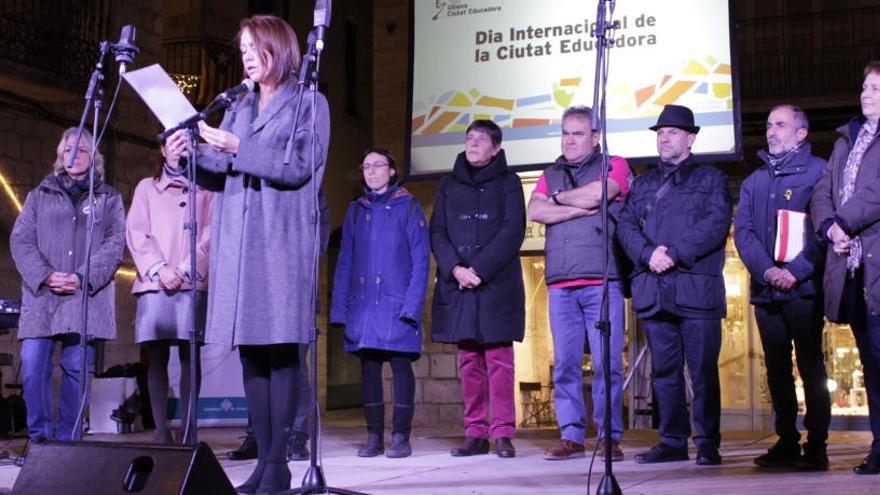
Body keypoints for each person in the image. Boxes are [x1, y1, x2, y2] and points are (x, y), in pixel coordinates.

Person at [166, 13, 330, 494]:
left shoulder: (309, 103)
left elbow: (299, 166)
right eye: (240, 50)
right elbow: (221, 170)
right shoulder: (238, 105)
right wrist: (188, 157)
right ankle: (265, 461)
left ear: (276, 49)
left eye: (251, 49)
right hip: (238, 244)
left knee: (281, 352)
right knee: (252, 357)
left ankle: (279, 461)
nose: (245, 58)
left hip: (280, 241)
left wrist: (238, 148)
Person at [617, 105, 731, 466]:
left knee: (702, 372)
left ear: (691, 138)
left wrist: (675, 254)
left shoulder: (711, 179)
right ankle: (672, 440)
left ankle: (708, 441)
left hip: (696, 290)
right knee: (664, 372)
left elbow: (716, 223)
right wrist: (649, 254)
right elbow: (625, 226)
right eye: (660, 132)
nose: (664, 137)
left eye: (673, 132)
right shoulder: (645, 183)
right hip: (655, 289)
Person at [527, 105, 631, 462]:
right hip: (560, 283)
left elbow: (600, 194)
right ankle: (571, 435)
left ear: (595, 137)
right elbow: (535, 211)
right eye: (565, 133)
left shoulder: (614, 164)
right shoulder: (550, 172)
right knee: (566, 362)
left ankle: (608, 435)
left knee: (607, 363)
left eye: (577, 133)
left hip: (602, 280)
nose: (569, 140)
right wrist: (573, 207)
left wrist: (558, 200)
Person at [10, 127, 126, 442]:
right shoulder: (39, 196)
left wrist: (80, 277)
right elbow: (21, 240)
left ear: (93, 157)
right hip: (43, 296)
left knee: (77, 371)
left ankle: (67, 442)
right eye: (67, 149)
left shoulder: (109, 199)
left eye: (81, 149)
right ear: (60, 155)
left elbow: (115, 245)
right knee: (33, 367)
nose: (73, 155)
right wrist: (46, 275)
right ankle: (41, 439)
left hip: (84, 297)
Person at [733, 105, 830, 470]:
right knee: (776, 370)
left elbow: (824, 229)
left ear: (801, 133)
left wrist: (797, 270)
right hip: (766, 291)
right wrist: (767, 270)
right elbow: (743, 232)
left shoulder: (819, 172)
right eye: (769, 125)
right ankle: (786, 441)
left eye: (781, 125)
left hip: (803, 290)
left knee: (811, 367)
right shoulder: (754, 180)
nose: (771, 131)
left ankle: (816, 446)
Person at [430, 120, 526, 459]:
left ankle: (502, 432)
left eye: (481, 139)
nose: (472, 144)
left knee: (499, 359)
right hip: (459, 283)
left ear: (496, 148)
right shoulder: (447, 184)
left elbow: (513, 230)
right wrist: (455, 268)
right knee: (469, 359)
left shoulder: (510, 183)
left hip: (496, 283)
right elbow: (438, 231)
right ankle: (475, 433)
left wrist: (479, 270)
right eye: (469, 138)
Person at [330, 147, 429, 459]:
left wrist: (411, 307)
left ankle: (401, 436)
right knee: (369, 366)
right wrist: (339, 309)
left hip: (397, 303)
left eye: (377, 165)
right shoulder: (356, 211)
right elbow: (345, 260)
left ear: (392, 170)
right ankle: (373, 436)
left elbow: (420, 262)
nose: (371, 171)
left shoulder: (409, 207)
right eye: (366, 166)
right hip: (364, 305)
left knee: (400, 366)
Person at [812, 60, 880, 475]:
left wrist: (844, 221)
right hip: (852, 268)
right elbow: (823, 189)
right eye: (864, 86)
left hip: (876, 260)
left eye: (875, 87)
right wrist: (827, 225)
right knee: (871, 364)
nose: (865, 93)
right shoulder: (845, 140)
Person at [125, 141, 213, 444]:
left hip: (190, 280)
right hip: (155, 281)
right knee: (157, 354)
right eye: (172, 142)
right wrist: (160, 268)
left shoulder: (205, 188)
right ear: (162, 150)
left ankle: (189, 429)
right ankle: (160, 430)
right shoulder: (146, 188)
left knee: (190, 354)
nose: (178, 148)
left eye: (184, 142)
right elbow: (137, 232)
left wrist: (185, 269)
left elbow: (210, 235)